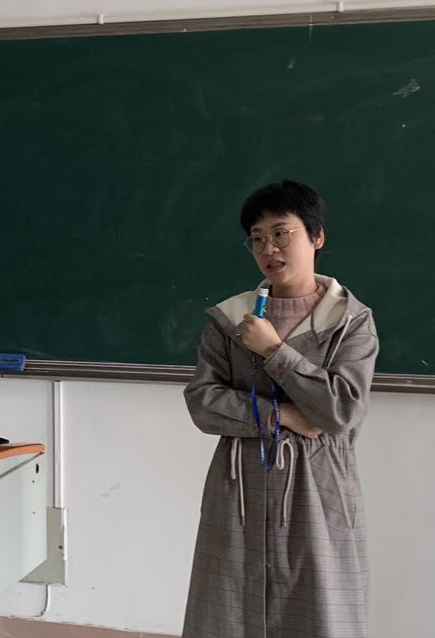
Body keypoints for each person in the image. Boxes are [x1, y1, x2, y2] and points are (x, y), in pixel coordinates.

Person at [182, 180, 378, 638]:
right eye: (257, 238)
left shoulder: (351, 321)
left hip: (319, 487)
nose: (268, 248)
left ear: (316, 236)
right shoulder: (231, 320)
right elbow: (202, 402)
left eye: (280, 233)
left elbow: (340, 410)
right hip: (240, 487)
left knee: (320, 614)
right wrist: (281, 416)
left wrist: (274, 351)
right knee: (229, 611)